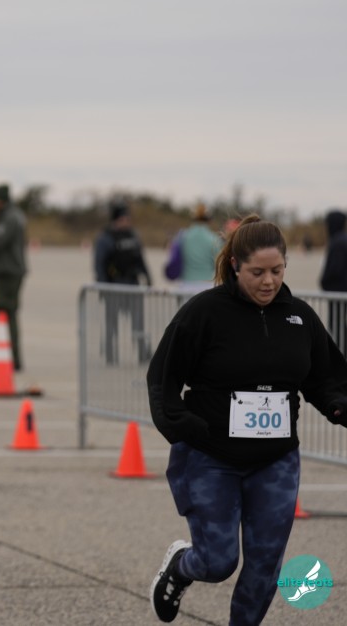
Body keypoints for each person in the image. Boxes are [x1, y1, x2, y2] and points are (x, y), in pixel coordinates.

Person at [146, 215, 347, 625]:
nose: (268, 282)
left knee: (264, 569)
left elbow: (326, 378)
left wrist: (338, 404)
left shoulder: (299, 318)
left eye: (277, 271)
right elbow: (163, 377)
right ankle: (181, 567)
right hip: (211, 456)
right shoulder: (204, 313)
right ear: (236, 265)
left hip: (276, 461)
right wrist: (179, 423)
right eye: (258, 272)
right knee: (217, 561)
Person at [94, 199, 152, 365]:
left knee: (138, 323)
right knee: (111, 324)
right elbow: (99, 265)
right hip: (114, 286)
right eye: (122, 219)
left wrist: (148, 277)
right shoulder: (105, 238)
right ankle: (110, 354)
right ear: (115, 220)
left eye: (127, 219)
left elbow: (140, 259)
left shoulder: (133, 236)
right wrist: (103, 286)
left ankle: (142, 352)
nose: (126, 222)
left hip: (133, 285)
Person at [0, 183, 28, 370]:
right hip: (7, 270)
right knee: (6, 314)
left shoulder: (10, 217)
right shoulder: (9, 215)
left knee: (6, 313)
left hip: (9, 272)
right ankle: (9, 357)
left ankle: (12, 358)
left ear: (0, 200)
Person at [164, 203, 223, 295]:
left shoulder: (182, 237)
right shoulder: (214, 239)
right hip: (207, 286)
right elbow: (217, 263)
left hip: (186, 286)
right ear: (209, 220)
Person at [319, 209, 347, 354]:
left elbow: (334, 269)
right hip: (341, 292)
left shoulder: (337, 242)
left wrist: (324, 282)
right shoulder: (342, 240)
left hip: (338, 292)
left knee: (337, 326)